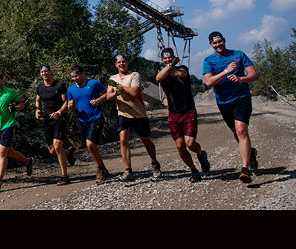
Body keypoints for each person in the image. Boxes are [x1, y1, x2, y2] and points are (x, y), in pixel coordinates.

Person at [202, 31, 259, 183]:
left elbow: (254, 75)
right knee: (235, 132)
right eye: (215, 43)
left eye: (220, 41)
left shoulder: (239, 55)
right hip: (224, 101)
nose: (218, 45)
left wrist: (241, 78)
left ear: (224, 40)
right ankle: (250, 153)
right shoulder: (209, 61)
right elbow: (209, 82)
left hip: (242, 97)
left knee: (241, 129)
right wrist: (226, 71)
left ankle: (245, 169)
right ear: (211, 45)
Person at [156, 47, 210, 182]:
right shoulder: (162, 73)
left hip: (188, 111)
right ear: (162, 60)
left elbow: (180, 74)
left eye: (170, 57)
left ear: (174, 57)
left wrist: (170, 67)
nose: (168, 60)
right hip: (173, 114)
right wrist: (169, 67)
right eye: (165, 58)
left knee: (190, 143)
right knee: (180, 145)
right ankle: (193, 170)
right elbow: (158, 78)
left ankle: (200, 154)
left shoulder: (182, 68)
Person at [107, 54, 162, 182]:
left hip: (138, 114)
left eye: (123, 61)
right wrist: (116, 92)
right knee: (123, 139)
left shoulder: (134, 75)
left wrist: (120, 88)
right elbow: (108, 96)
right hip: (123, 113)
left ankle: (154, 163)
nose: (121, 64)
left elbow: (134, 92)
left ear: (127, 63)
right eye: (119, 62)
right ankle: (128, 170)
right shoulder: (112, 78)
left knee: (145, 139)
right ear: (116, 65)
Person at [0, 71, 34, 192]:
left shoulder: (11, 92)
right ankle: (28, 161)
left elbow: (22, 104)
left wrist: (15, 108)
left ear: (3, 81)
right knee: (9, 152)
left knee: (2, 152)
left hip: (9, 126)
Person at [67, 65, 111, 184]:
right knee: (89, 146)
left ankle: (99, 169)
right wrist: (70, 106)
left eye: (76, 76)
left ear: (82, 74)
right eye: (73, 77)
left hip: (96, 117)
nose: (75, 79)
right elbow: (70, 102)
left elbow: (108, 93)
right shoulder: (70, 89)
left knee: (90, 143)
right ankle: (102, 168)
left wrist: (98, 100)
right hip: (83, 120)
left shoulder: (93, 83)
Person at [35, 65, 76, 186]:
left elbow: (66, 102)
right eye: (42, 72)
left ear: (50, 72)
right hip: (47, 120)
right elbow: (38, 100)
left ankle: (64, 176)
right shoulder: (40, 87)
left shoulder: (59, 85)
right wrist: (37, 110)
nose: (44, 74)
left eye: (46, 71)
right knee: (52, 150)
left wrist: (59, 112)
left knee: (57, 146)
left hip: (59, 118)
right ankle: (68, 153)